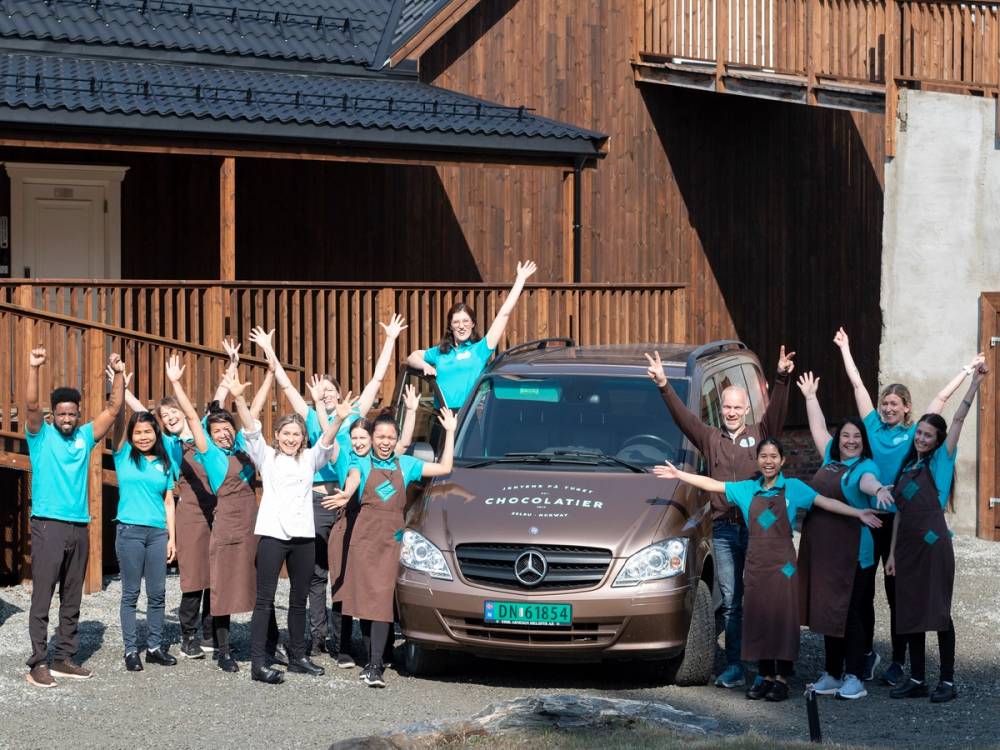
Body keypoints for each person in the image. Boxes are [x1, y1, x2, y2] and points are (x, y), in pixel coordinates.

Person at [654, 439, 881, 702]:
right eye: (764, 456)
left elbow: (825, 502)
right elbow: (714, 484)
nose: (769, 461)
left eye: (774, 456)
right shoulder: (747, 489)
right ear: (758, 461)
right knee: (759, 620)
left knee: (782, 621)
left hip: (784, 567)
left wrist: (858, 513)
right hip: (756, 566)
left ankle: (782, 679)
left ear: (782, 461)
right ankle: (765, 676)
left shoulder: (794, 488)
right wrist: (679, 474)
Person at [249, 317, 407, 658]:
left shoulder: (355, 417)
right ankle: (318, 639)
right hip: (317, 503)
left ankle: (347, 641)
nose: (328, 395)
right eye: (323, 392)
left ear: (340, 394)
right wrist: (268, 351)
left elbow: (377, 379)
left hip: (354, 501)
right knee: (317, 575)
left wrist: (390, 340)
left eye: (332, 391)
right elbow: (283, 382)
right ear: (316, 394)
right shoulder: (305, 417)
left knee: (350, 571)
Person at [834, 327, 984, 684]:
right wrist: (845, 348)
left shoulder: (922, 437)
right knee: (864, 588)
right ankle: (868, 654)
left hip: (908, 526)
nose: (886, 408)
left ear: (907, 410)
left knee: (899, 592)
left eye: (893, 405)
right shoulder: (871, 427)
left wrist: (967, 373)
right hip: (874, 519)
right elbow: (858, 386)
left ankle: (901, 662)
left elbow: (945, 406)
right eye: (884, 403)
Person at [644, 347, 795, 689]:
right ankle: (736, 666)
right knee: (731, 601)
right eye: (726, 406)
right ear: (721, 409)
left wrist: (783, 377)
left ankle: (773, 665)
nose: (731, 412)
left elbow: (779, 414)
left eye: (737, 407)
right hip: (725, 532)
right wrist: (664, 385)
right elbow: (683, 418)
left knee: (764, 596)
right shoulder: (710, 438)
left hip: (759, 532)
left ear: (746, 409)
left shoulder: (760, 434)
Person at [119, 340, 272, 662]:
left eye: (174, 412)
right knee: (194, 574)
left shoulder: (201, 431)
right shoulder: (170, 445)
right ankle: (189, 635)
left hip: (219, 510)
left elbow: (220, 398)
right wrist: (122, 389)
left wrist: (233, 362)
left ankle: (209, 634)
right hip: (190, 510)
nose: (172, 417)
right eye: (165, 415)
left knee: (216, 572)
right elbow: (140, 415)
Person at [228, 370, 354, 685]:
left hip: (303, 538)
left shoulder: (310, 459)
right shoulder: (267, 457)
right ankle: (259, 663)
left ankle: (298, 656)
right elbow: (250, 429)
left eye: (296, 434)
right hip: (272, 536)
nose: (291, 438)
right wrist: (240, 399)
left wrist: (336, 419)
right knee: (265, 599)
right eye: (286, 433)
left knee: (299, 598)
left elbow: (326, 441)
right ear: (278, 435)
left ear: (302, 438)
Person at [333, 406, 457, 688]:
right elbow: (353, 478)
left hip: (392, 541)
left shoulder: (407, 464)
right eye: (380, 436)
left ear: (396, 438)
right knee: (366, 601)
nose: (385, 442)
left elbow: (445, 467)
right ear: (372, 437)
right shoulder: (361, 461)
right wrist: (347, 494)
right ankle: (373, 660)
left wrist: (449, 432)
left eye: (391, 437)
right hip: (364, 540)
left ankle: (375, 665)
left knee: (380, 602)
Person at [24, 346, 125, 688]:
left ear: (78, 415)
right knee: (43, 594)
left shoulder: (84, 436)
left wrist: (120, 375)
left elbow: (113, 409)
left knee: (72, 595)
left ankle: (64, 656)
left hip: (79, 525)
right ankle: (38, 661)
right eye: (62, 415)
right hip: (47, 524)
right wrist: (35, 367)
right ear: (53, 415)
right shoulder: (41, 436)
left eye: (72, 414)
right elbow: (30, 406)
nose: (67, 419)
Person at [886, 363, 987, 703]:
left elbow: (956, 417)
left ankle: (946, 681)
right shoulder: (907, 466)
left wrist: (974, 383)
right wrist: (892, 554)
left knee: (938, 611)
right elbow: (899, 513)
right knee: (911, 611)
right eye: (919, 433)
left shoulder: (941, 461)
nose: (922, 438)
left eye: (928, 435)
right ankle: (917, 678)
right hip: (908, 548)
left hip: (934, 546)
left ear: (939, 440)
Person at [167, 355, 265, 673]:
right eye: (217, 429)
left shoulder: (243, 448)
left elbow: (254, 415)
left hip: (251, 526)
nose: (223, 433)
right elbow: (194, 420)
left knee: (252, 583)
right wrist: (176, 384)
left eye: (227, 428)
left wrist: (270, 376)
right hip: (225, 525)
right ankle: (221, 649)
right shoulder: (210, 455)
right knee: (219, 585)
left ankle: (264, 644)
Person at [796, 372, 890, 700]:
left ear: (864, 442)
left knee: (848, 614)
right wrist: (810, 397)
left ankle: (855, 676)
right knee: (827, 611)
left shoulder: (866, 468)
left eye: (856, 438)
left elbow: (869, 485)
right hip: (825, 554)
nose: (850, 441)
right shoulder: (830, 460)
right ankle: (832, 673)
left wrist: (878, 491)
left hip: (854, 555)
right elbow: (818, 428)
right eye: (846, 436)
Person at [326, 385, 421, 669]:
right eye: (353, 437)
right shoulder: (347, 457)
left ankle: (379, 652)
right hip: (349, 524)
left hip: (380, 528)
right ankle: (343, 647)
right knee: (345, 588)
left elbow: (402, 442)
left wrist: (413, 412)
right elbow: (331, 446)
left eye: (361, 437)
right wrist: (336, 418)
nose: (357, 442)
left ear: (372, 437)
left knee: (379, 592)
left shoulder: (385, 459)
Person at [406, 260, 537, 409]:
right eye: (456, 322)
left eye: (465, 321)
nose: (461, 326)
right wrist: (424, 365)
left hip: (470, 416)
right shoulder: (440, 351)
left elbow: (504, 315)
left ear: (473, 324)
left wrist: (520, 280)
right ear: (450, 326)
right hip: (441, 416)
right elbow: (412, 357)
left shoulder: (480, 350)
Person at [110, 410, 177, 672]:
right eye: (137, 432)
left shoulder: (164, 461)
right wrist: (119, 384)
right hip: (130, 532)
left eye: (148, 431)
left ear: (156, 433)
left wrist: (173, 538)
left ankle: (154, 647)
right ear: (130, 435)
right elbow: (116, 426)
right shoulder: (124, 455)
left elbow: (169, 501)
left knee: (158, 594)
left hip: (157, 534)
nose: (143, 436)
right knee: (131, 593)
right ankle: (130, 650)